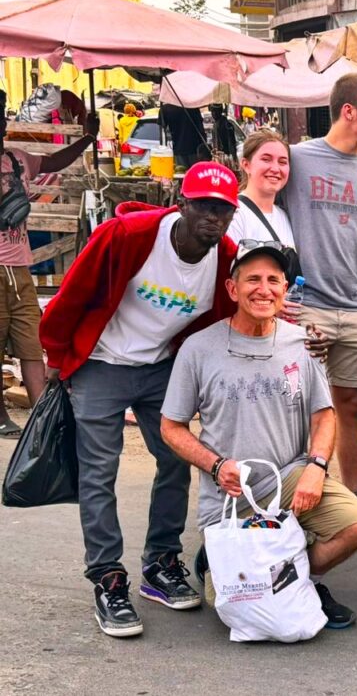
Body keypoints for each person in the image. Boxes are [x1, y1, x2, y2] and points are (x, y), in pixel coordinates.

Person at [38, 161, 239, 638]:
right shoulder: (127, 236)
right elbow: (73, 294)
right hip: (102, 362)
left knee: (175, 458)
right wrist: (56, 358)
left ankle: (160, 562)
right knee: (99, 470)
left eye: (224, 210)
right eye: (204, 206)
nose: (213, 218)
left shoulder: (225, 256)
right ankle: (107, 577)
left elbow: (222, 318)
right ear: (182, 203)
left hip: (160, 367)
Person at [160, 240, 357, 630]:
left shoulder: (301, 344)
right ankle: (227, 560)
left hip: (289, 478)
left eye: (274, 280)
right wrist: (215, 463)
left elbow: (325, 415)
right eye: (252, 279)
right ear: (232, 289)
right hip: (230, 497)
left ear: (285, 289)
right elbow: (170, 427)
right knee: (225, 606)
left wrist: (316, 466)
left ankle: (300, 581)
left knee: (356, 523)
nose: (264, 289)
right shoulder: (199, 348)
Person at [281, 74, 357, 531]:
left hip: (355, 306)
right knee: (295, 404)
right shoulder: (298, 159)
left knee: (349, 405)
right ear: (349, 111)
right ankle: (292, 495)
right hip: (303, 305)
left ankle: (351, 502)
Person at [0, 90, 100, 438]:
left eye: (1, 117)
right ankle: (1, 417)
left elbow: (53, 163)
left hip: (20, 267)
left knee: (30, 341)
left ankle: (42, 421)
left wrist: (87, 137)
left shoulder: (16, 159)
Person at [226, 130, 295, 247]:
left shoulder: (283, 216)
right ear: (246, 165)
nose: (275, 169)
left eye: (282, 162)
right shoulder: (233, 215)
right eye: (266, 159)